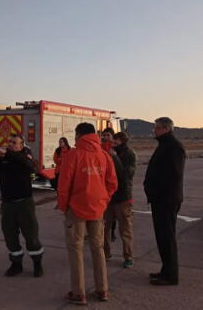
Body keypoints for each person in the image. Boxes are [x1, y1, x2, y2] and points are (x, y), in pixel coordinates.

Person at [58, 123, 118, 305]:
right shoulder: (104, 155)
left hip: (76, 209)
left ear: (79, 135)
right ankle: (102, 290)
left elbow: (64, 185)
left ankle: (79, 293)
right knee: (98, 248)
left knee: (75, 250)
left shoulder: (73, 155)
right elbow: (112, 183)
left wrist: (63, 207)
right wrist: (103, 200)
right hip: (97, 209)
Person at [0, 135, 44, 278]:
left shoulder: (26, 158)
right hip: (8, 205)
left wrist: (5, 152)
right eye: (9, 142)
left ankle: (37, 263)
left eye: (14, 142)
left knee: (31, 237)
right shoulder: (3, 160)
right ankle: (16, 264)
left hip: (24, 204)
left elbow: (29, 165)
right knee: (10, 236)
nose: (10, 144)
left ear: (22, 145)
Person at [143, 117, 186, 286]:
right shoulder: (165, 145)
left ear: (166, 129)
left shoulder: (174, 147)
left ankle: (170, 276)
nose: (154, 130)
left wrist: (157, 191)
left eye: (157, 128)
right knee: (161, 237)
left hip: (166, 200)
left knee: (167, 237)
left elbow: (174, 176)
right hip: (160, 199)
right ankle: (165, 270)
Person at [103, 132, 137, 268]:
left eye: (115, 140)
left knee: (125, 230)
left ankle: (128, 256)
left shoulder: (129, 154)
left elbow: (125, 175)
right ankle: (105, 253)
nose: (112, 142)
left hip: (123, 198)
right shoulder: (108, 153)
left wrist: (115, 158)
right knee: (104, 228)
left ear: (122, 140)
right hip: (109, 197)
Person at [100, 128, 117, 242]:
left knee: (112, 212)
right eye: (104, 135)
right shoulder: (100, 147)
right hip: (102, 181)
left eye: (108, 135)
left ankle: (112, 232)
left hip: (112, 180)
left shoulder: (115, 148)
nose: (105, 137)